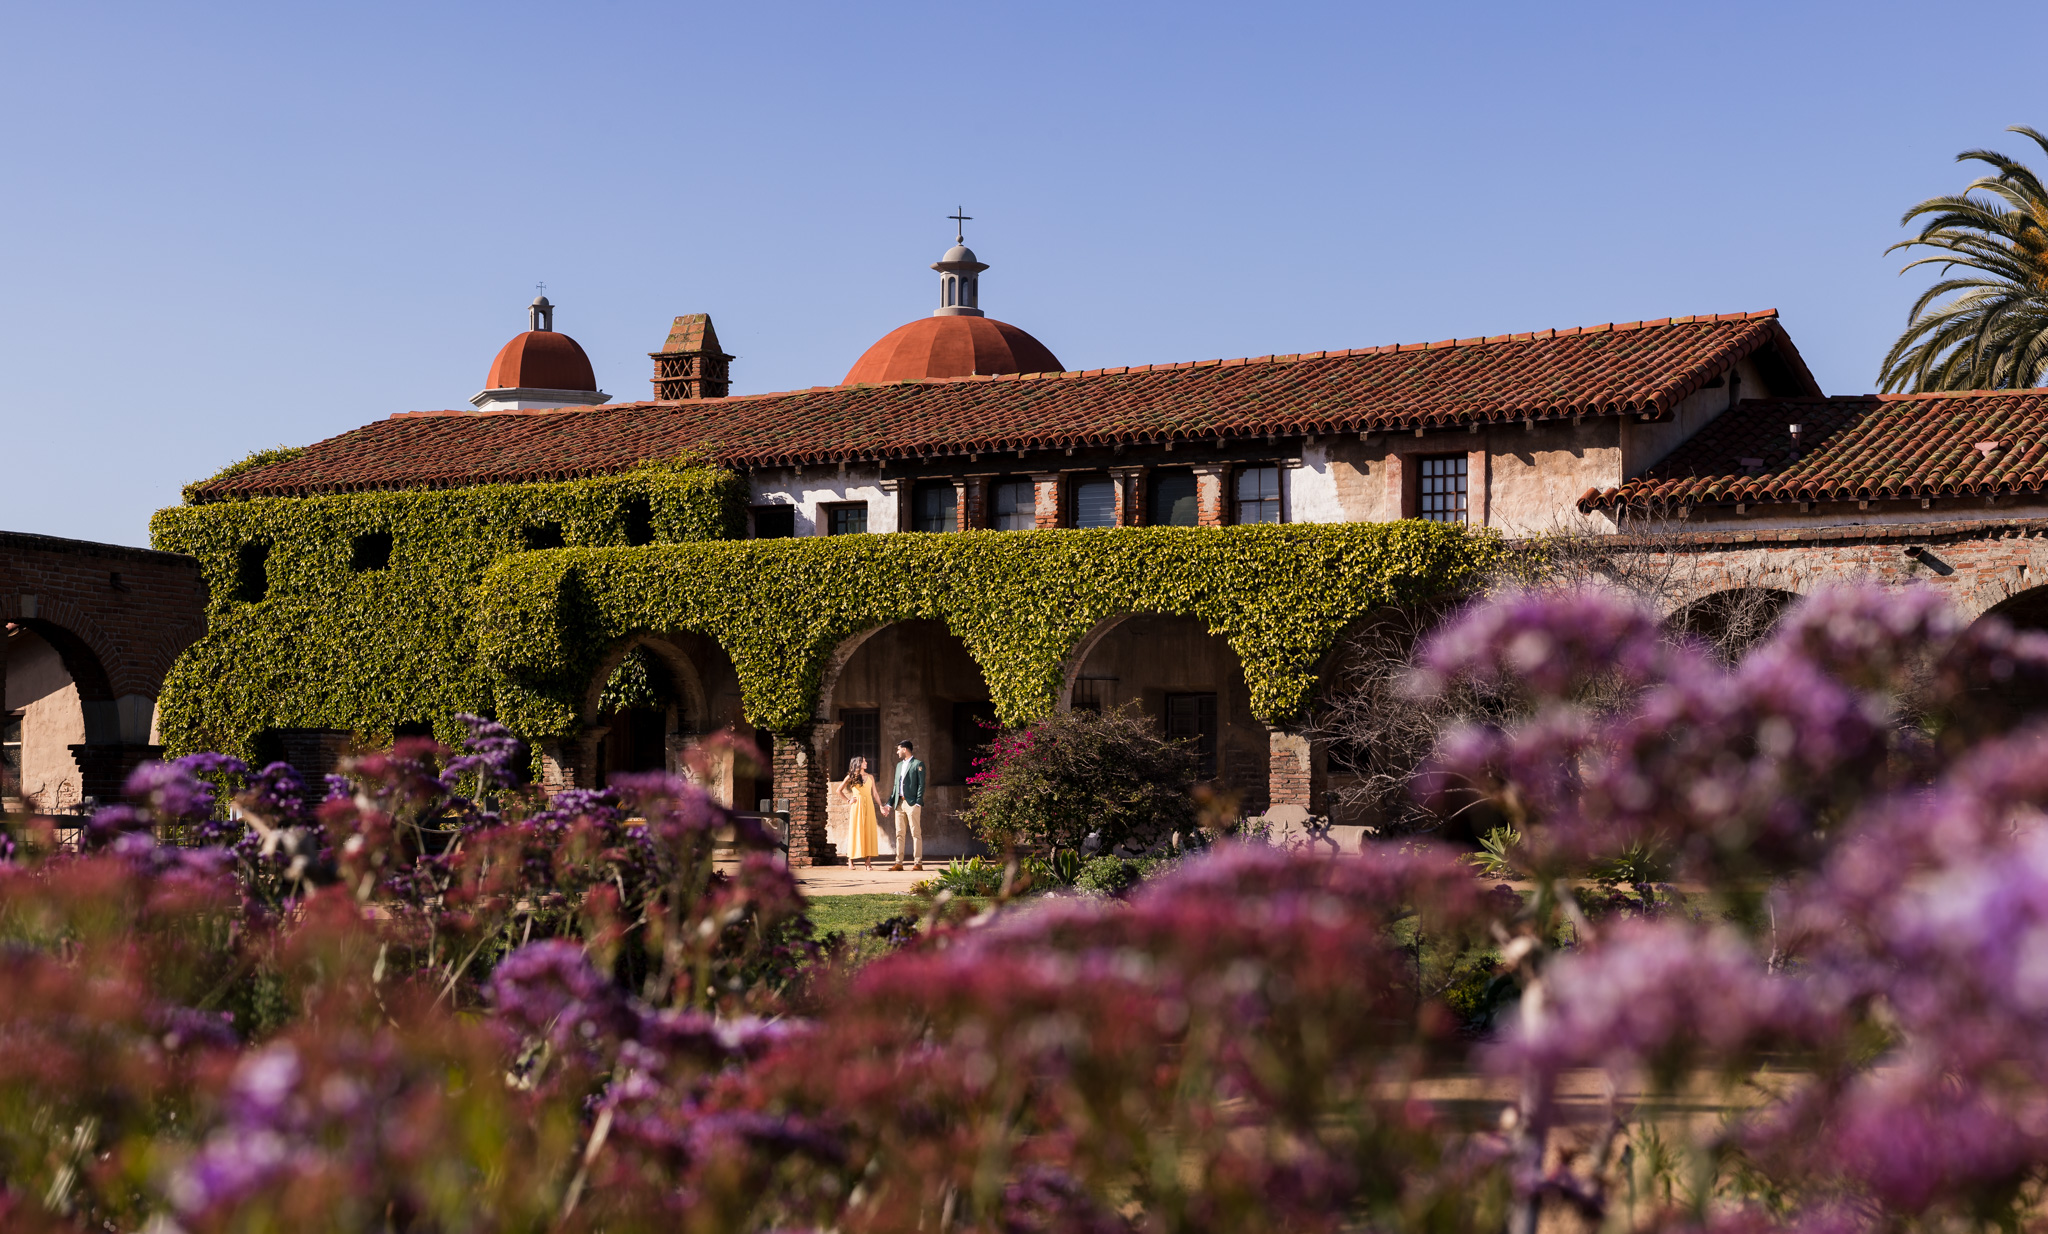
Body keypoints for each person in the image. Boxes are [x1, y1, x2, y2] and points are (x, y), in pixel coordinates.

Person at [886, 739, 926, 871]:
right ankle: (899, 863)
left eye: (898, 749)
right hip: (899, 803)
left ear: (904, 749)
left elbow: (921, 785)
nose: (897, 752)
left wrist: (918, 802)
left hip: (912, 803)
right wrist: (889, 804)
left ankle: (917, 863)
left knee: (915, 833)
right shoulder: (898, 766)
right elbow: (895, 787)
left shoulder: (918, 764)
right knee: (899, 833)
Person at [838, 756, 882, 870]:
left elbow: (875, 794)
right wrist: (848, 800)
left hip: (869, 807)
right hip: (857, 806)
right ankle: (850, 861)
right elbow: (839, 790)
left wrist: (881, 806)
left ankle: (868, 862)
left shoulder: (870, 777)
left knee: (869, 832)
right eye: (864, 761)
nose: (866, 762)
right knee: (856, 832)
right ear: (858, 763)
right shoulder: (851, 776)